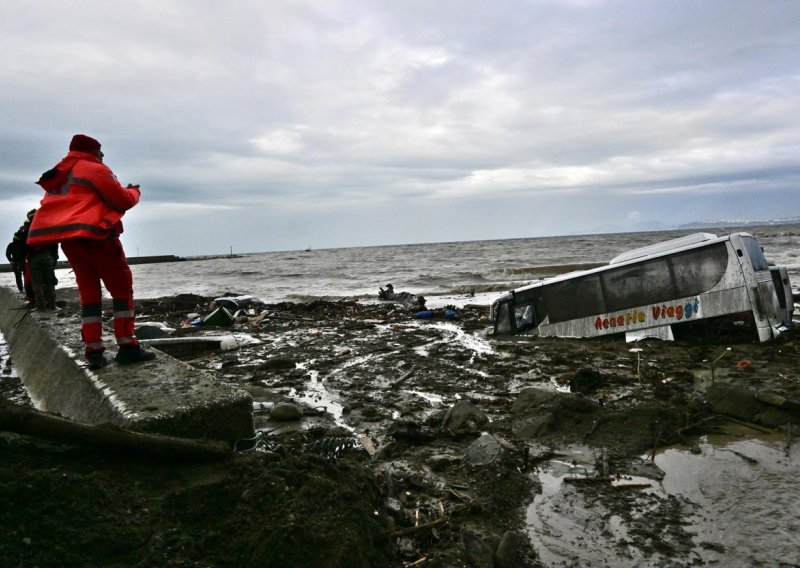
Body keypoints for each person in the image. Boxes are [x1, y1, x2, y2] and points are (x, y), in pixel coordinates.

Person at [27, 134, 155, 370]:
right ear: (95, 152)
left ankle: (94, 351)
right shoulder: (95, 169)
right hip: (99, 238)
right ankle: (127, 347)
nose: (102, 157)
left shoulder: (60, 175)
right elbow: (123, 200)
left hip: (71, 241)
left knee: (89, 295)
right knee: (121, 290)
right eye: (101, 153)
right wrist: (135, 191)